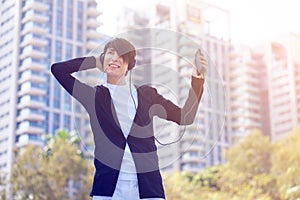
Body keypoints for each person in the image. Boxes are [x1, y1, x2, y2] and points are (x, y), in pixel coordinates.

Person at [51, 38, 207, 200]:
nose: (115, 58)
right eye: (111, 53)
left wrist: (197, 80)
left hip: (148, 188)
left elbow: (185, 117)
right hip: (108, 189)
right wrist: (95, 61)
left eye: (122, 55)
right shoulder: (94, 97)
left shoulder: (148, 95)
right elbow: (58, 70)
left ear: (129, 64)